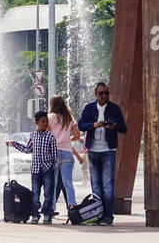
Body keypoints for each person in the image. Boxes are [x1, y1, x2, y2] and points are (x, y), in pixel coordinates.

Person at [78, 82, 127, 225]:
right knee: (96, 185)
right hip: (93, 150)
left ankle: (107, 216)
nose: (104, 96)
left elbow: (123, 128)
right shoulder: (89, 108)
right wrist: (93, 125)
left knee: (107, 185)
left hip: (108, 151)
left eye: (107, 93)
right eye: (101, 93)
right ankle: (97, 215)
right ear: (95, 94)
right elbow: (80, 125)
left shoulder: (114, 108)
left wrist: (113, 126)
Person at [8, 111, 58, 224]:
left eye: (46, 121)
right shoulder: (33, 136)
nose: (45, 124)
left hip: (47, 169)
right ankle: (35, 215)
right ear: (37, 123)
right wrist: (15, 144)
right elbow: (27, 149)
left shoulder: (51, 137)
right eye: (43, 121)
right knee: (35, 193)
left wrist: (47, 161)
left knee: (48, 193)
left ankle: (47, 215)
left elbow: (55, 156)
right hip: (35, 170)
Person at [47, 94, 83, 216]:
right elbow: (77, 136)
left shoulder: (49, 118)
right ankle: (72, 206)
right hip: (67, 154)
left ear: (52, 105)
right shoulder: (69, 118)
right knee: (68, 183)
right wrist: (67, 139)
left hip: (53, 154)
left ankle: (50, 209)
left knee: (53, 183)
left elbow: (46, 136)